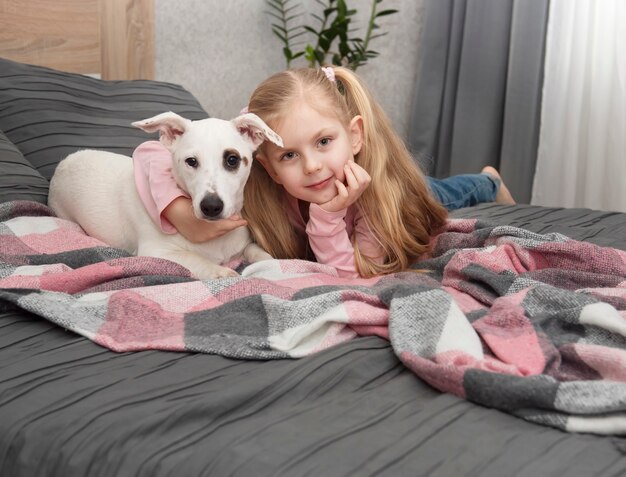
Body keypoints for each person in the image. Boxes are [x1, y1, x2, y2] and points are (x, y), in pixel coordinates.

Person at [133, 66, 515, 278]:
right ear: (268, 166)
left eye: (323, 142)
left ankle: (489, 180)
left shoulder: (376, 206)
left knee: (446, 192)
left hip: (398, 192)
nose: (312, 166)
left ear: (354, 136)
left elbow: (352, 274)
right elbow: (150, 151)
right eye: (289, 156)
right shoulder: (249, 171)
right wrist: (180, 212)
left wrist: (328, 217)